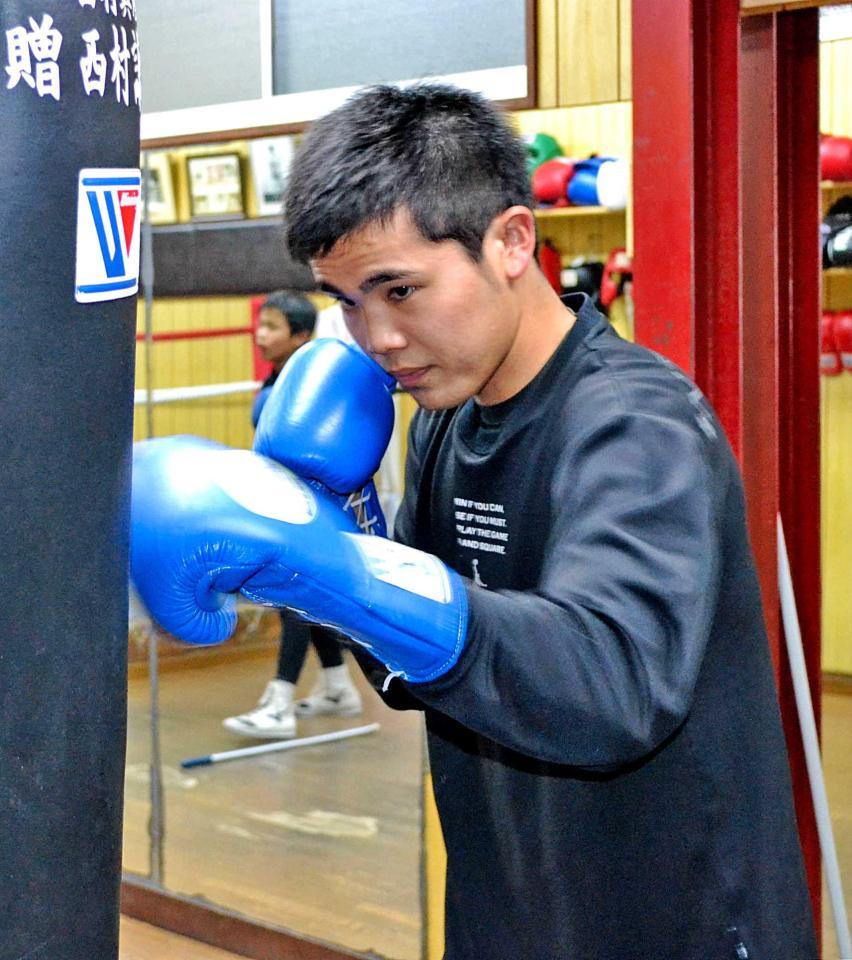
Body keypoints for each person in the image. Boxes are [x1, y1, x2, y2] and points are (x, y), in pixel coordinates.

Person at [131, 84, 817, 958]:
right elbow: (417, 669)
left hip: (672, 921)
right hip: (513, 908)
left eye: (400, 289)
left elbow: (612, 685)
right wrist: (338, 533)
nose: (376, 336)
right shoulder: (448, 420)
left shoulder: (636, 427)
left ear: (510, 242)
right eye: (346, 301)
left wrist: (339, 571)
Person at [223, 291, 362, 739]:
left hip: (307, 512)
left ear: (301, 335)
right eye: (260, 325)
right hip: (284, 504)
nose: (260, 336)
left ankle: (280, 702)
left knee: (293, 600)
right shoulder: (276, 381)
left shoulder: (311, 389)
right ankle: (340, 688)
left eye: (272, 327)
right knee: (306, 601)